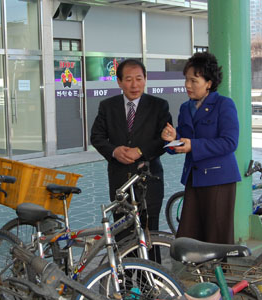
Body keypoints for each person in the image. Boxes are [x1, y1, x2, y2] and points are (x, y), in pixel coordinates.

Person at [90, 58, 172, 254]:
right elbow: (96, 136)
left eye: (139, 78)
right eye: (128, 79)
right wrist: (114, 151)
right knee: (123, 234)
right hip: (120, 180)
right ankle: (126, 280)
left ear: (145, 79)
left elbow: (165, 139)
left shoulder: (159, 105)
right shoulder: (107, 106)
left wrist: (140, 151)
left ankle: (150, 280)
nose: (134, 85)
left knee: (149, 234)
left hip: (149, 179)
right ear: (119, 82)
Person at [161, 52, 241, 244]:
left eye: (194, 80)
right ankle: (198, 272)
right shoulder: (185, 108)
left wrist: (193, 146)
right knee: (189, 233)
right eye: (186, 80)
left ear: (209, 83)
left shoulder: (224, 105)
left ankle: (219, 272)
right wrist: (173, 139)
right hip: (193, 178)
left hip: (219, 180)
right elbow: (185, 139)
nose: (187, 85)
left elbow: (230, 142)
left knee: (216, 234)